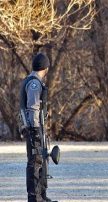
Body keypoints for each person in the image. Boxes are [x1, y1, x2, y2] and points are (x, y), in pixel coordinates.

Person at [19, 53, 53, 202]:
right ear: (45, 68)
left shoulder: (34, 81)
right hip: (34, 128)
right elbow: (32, 109)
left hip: (37, 127)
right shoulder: (34, 83)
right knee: (35, 162)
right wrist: (35, 132)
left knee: (41, 161)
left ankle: (41, 196)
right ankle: (34, 198)